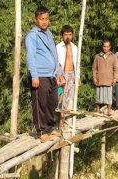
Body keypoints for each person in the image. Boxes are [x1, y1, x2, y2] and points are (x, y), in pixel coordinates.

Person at [25, 6, 62, 142]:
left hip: (51, 75)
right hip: (39, 75)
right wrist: (34, 75)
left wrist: (58, 72)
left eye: (46, 19)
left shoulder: (49, 33)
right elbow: (30, 57)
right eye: (41, 19)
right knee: (40, 103)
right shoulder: (32, 35)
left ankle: (50, 128)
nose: (44, 22)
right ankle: (41, 130)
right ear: (36, 19)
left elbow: (54, 53)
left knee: (52, 102)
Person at [92, 40, 118, 115]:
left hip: (109, 79)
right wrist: (94, 77)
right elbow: (94, 68)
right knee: (98, 95)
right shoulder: (98, 56)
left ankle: (109, 110)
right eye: (104, 46)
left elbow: (116, 68)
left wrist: (115, 78)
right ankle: (97, 110)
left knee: (109, 96)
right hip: (99, 79)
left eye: (107, 46)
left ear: (110, 47)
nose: (105, 48)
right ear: (102, 47)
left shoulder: (113, 56)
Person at [56, 24, 78, 111]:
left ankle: (67, 122)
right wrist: (58, 76)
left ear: (72, 35)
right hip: (61, 75)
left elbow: (77, 63)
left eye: (69, 34)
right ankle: (60, 121)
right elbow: (55, 63)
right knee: (60, 98)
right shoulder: (58, 47)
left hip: (72, 74)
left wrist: (78, 77)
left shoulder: (75, 47)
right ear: (62, 35)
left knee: (71, 99)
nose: (68, 37)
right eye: (66, 35)